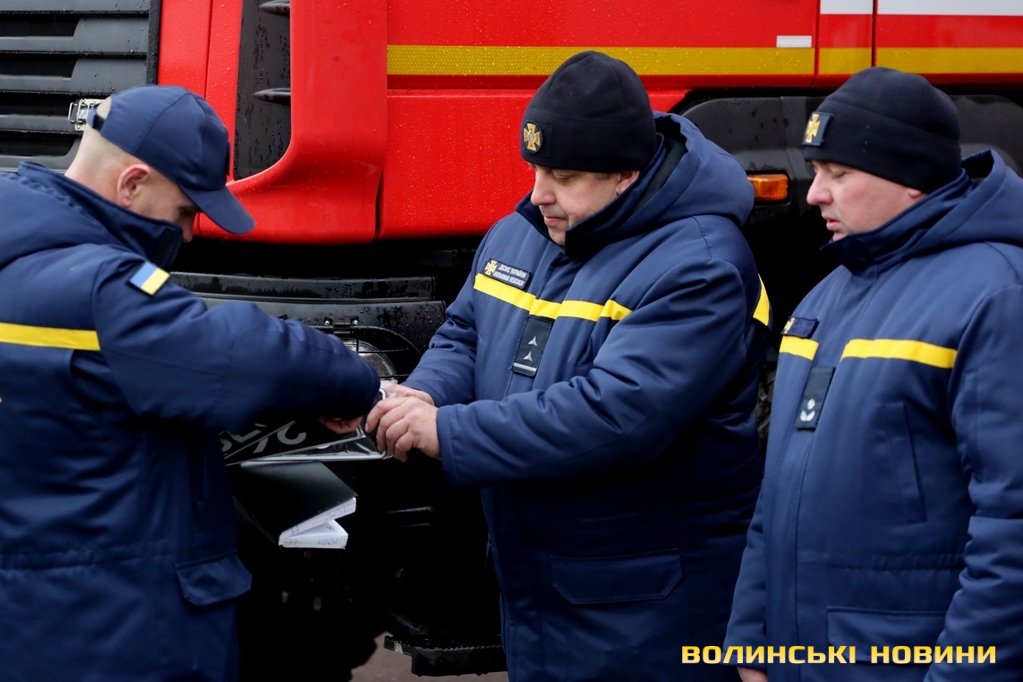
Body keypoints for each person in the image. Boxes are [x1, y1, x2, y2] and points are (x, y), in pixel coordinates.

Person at [367, 50, 772, 681]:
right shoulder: (523, 231)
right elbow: (466, 335)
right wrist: (425, 396)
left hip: (648, 605)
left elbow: (615, 414)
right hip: (544, 586)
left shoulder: (700, 266)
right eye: (535, 169)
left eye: (565, 175)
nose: (540, 194)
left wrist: (448, 432)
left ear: (627, 174)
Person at [0, 85, 381, 681]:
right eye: (184, 211)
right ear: (132, 184)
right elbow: (246, 356)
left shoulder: (18, 244)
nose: (190, 233)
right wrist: (358, 382)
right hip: (117, 633)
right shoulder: (102, 294)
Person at [724, 67, 1023, 681]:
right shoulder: (825, 296)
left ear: (909, 179)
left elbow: (1011, 527)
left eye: (838, 173)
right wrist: (752, 640)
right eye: (817, 171)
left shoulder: (997, 297)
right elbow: (776, 496)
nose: (815, 193)